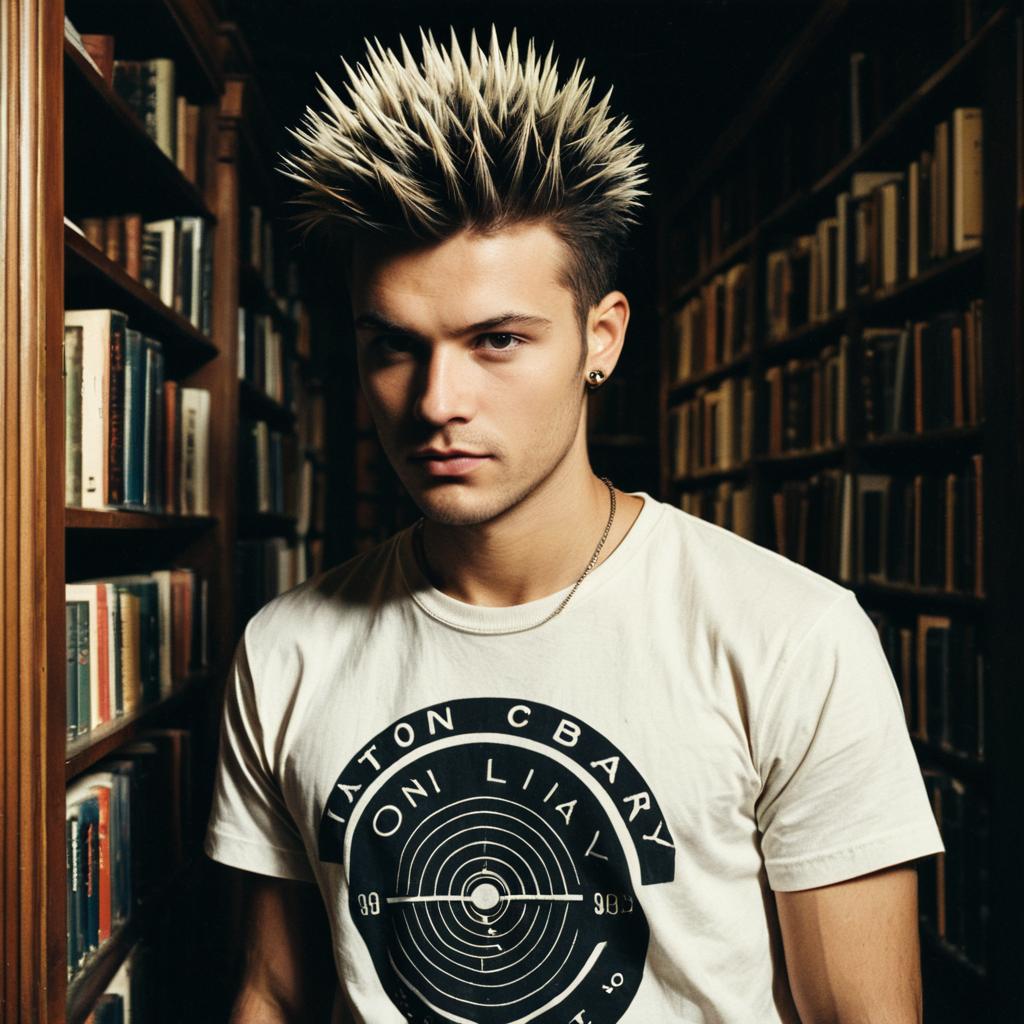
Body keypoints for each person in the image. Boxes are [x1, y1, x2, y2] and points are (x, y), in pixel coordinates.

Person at [205, 26, 943, 1024]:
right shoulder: (286, 648)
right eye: (394, 346)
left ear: (602, 339)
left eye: (497, 341)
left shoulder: (789, 637)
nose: (435, 401)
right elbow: (274, 989)